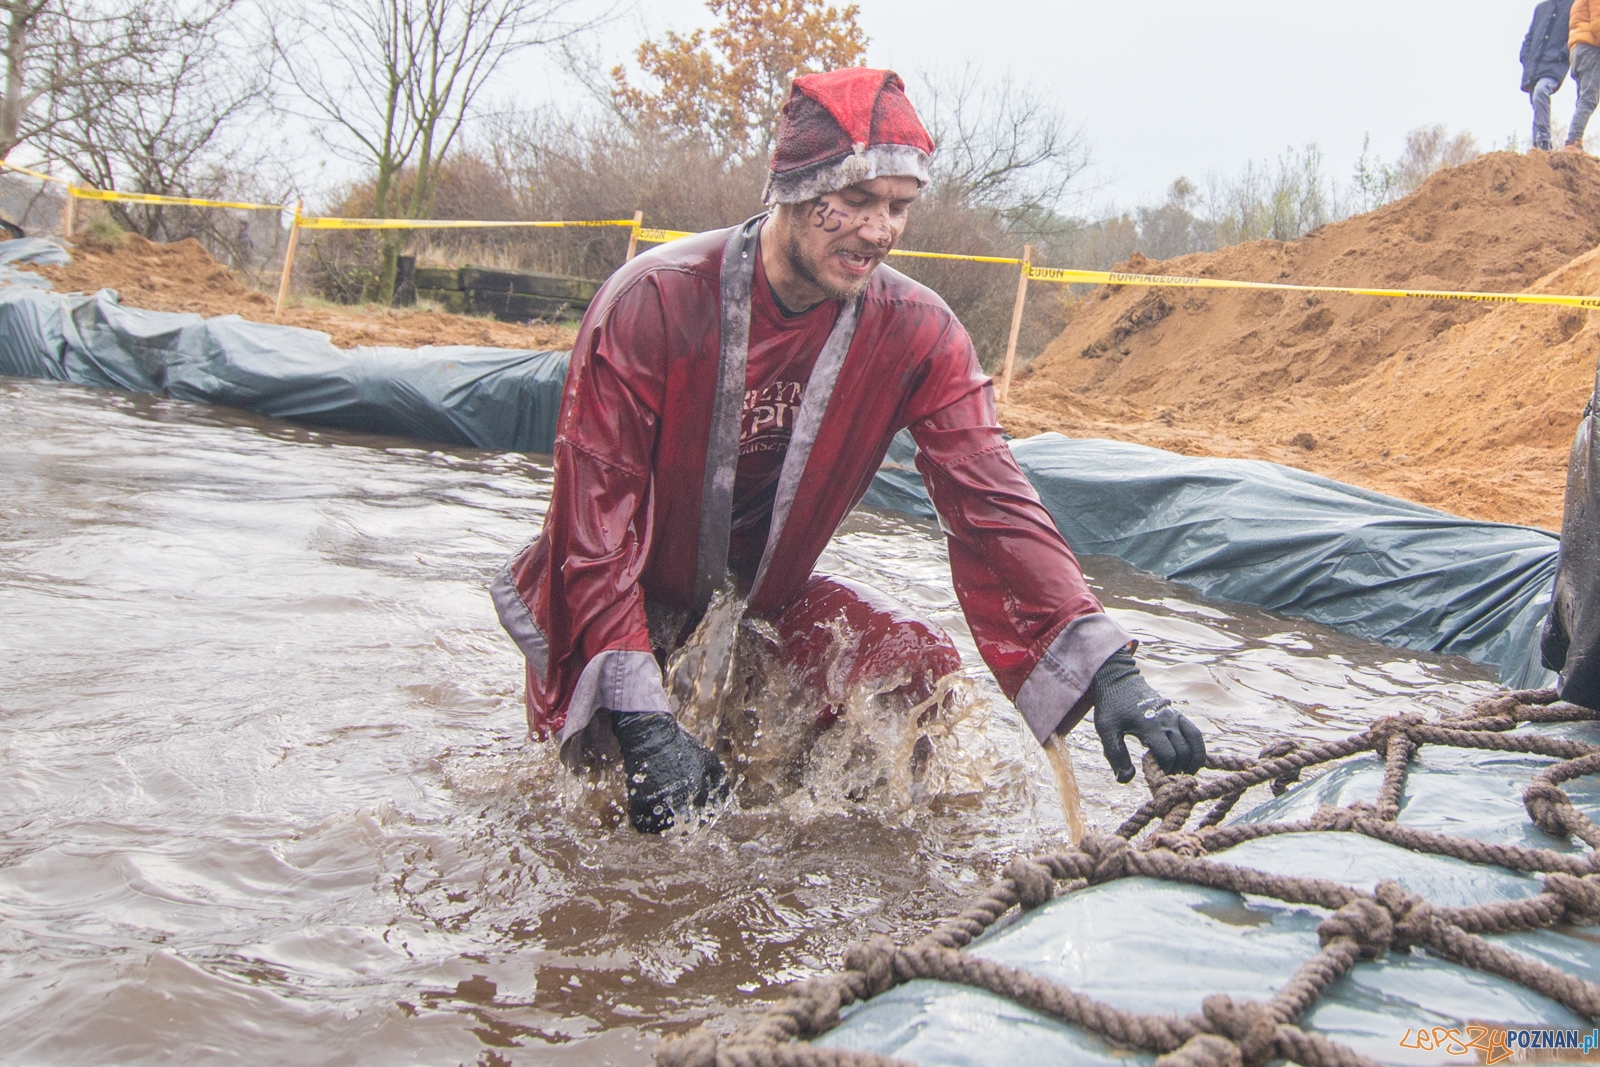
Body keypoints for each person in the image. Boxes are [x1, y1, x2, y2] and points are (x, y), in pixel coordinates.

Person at [491, 68, 1207, 833]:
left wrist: (1109, 667)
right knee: (591, 816)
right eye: (858, 201)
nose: (879, 230)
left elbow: (992, 498)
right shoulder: (653, 301)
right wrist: (642, 720)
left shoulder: (920, 333)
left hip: (763, 603)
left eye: (899, 207)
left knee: (913, 674)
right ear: (793, 191)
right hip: (615, 601)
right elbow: (591, 529)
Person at [1523, 0, 1575, 151]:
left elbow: (1575, 32)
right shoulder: (1541, 8)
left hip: (1555, 64)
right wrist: (1525, 56)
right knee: (1536, 103)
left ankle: (1544, 141)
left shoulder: (1573, 4)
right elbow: (1529, 37)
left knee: (1541, 91)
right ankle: (1537, 147)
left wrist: (1562, 54)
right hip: (1534, 65)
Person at [1570, 0, 1600, 150]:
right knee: (1588, 100)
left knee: (1582, 101)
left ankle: (1575, 142)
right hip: (1591, 49)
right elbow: (1597, 25)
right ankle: (1572, 142)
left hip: (1577, 49)